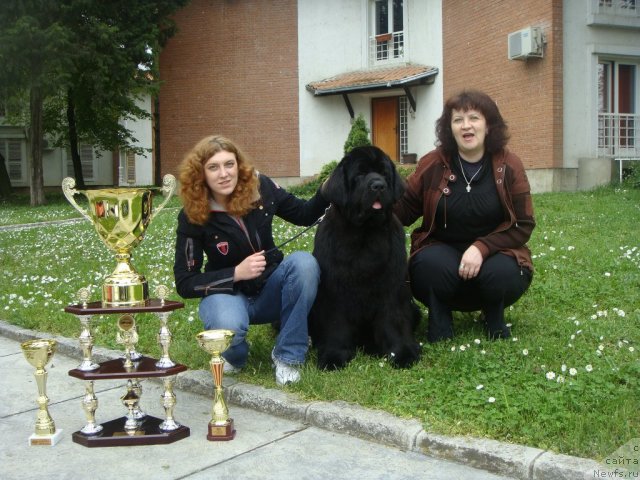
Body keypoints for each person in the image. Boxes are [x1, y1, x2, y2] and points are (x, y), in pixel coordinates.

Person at [173, 135, 329, 386]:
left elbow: (304, 214)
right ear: (201, 173)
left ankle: (288, 356)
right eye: (213, 167)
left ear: (239, 166)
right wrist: (235, 273)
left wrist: (326, 189)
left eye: (229, 164)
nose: (224, 174)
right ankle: (235, 356)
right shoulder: (192, 215)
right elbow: (185, 282)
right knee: (229, 330)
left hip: (270, 289)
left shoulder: (261, 188)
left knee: (304, 264)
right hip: (227, 294)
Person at [394, 89, 535, 342]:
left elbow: (523, 224)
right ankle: (439, 317)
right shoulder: (433, 163)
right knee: (429, 266)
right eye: (458, 120)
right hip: (441, 251)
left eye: (474, 118)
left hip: (496, 253)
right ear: (450, 128)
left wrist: (482, 247)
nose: (466, 126)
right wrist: (370, 198)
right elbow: (403, 210)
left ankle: (493, 316)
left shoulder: (509, 164)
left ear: (489, 125)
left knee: (503, 273)